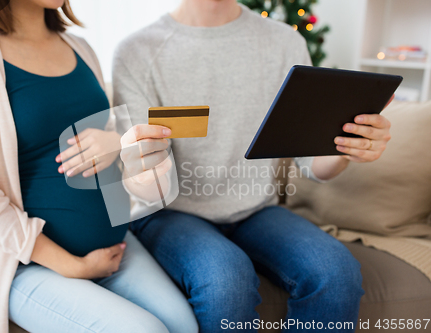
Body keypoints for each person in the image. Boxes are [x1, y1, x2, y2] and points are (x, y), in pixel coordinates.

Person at [113, 0, 393, 332]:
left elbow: (312, 164)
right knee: (225, 280)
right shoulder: (136, 51)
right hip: (170, 213)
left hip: (255, 209)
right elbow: (141, 185)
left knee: (336, 272)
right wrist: (143, 169)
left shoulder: (285, 43)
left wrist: (347, 148)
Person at [0, 1, 198, 332]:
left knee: (185, 326)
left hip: (115, 247)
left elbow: (108, 140)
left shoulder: (80, 47)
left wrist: (116, 141)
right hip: (26, 266)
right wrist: (72, 266)